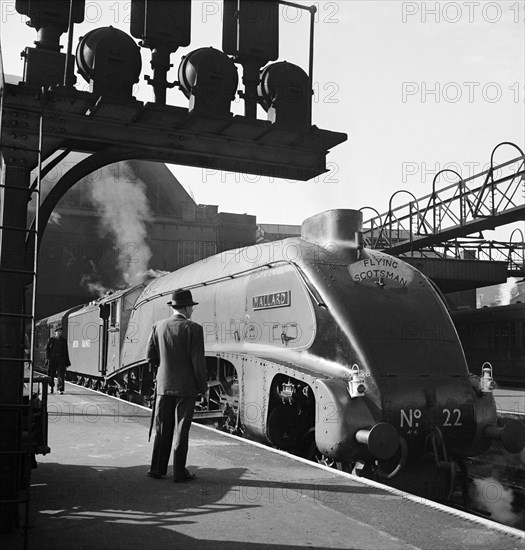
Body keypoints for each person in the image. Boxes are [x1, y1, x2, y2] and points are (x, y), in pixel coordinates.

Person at [147, 289, 208, 482]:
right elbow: (198, 363)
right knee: (182, 429)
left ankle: (157, 469)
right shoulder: (194, 329)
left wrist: (163, 370)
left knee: (162, 428)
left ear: (173, 307)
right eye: (192, 307)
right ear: (187, 308)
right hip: (186, 387)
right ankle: (179, 473)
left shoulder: (158, 326)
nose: (193, 311)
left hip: (164, 385)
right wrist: (203, 388)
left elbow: (150, 357)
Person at [45, 326, 70, 394]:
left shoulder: (64, 341)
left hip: (61, 360)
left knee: (61, 375)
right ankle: (51, 387)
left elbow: (66, 351)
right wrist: (47, 358)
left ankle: (60, 389)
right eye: (58, 331)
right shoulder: (51, 340)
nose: (59, 333)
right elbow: (47, 350)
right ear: (55, 332)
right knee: (51, 374)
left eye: (61, 332)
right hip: (52, 359)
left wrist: (67, 361)